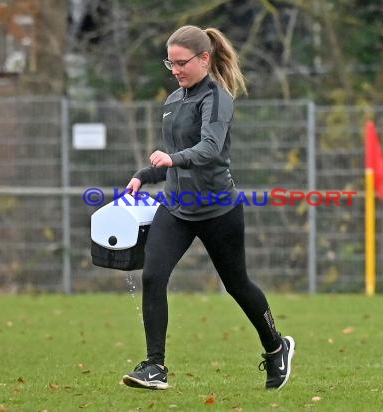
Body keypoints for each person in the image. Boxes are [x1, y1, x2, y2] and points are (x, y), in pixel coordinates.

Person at [122, 25, 295, 391]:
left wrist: (170, 159)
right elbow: (173, 158)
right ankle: (154, 366)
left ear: (204, 59)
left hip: (218, 209)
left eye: (182, 62)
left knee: (237, 285)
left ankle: (276, 346)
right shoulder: (172, 102)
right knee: (153, 276)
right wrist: (144, 174)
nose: (175, 70)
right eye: (170, 63)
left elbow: (209, 149)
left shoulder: (218, 98)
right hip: (176, 207)